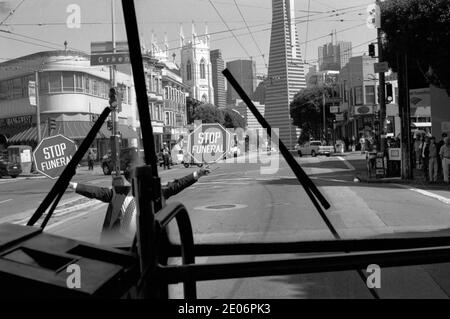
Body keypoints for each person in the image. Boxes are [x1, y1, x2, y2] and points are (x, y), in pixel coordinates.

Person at [68, 166, 211, 243]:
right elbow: (96, 191)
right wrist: (73, 185)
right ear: (130, 180)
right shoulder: (118, 194)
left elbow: (176, 186)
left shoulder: (154, 192)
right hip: (124, 243)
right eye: (135, 178)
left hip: (148, 242)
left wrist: (197, 174)